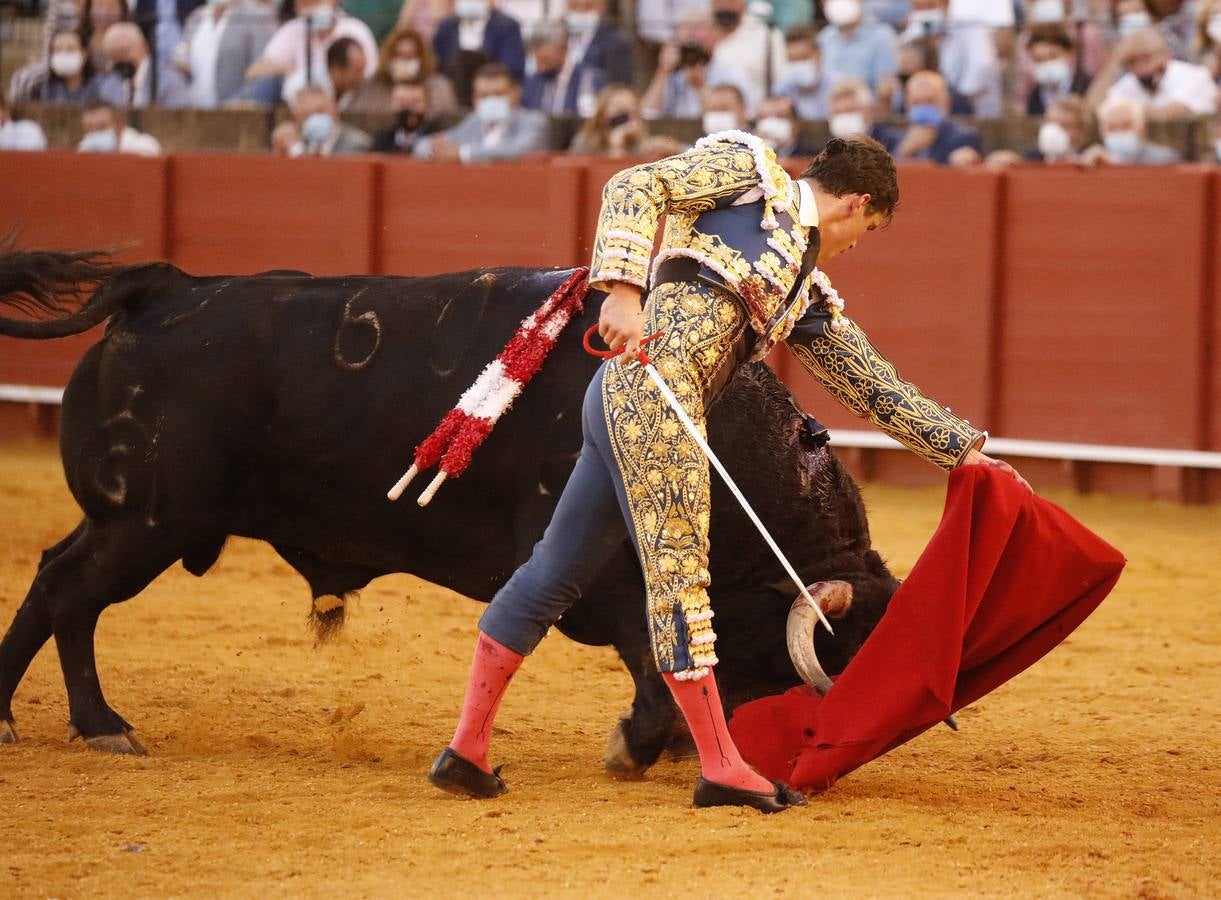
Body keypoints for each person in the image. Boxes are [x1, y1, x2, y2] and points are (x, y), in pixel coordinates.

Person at [427, 132, 1025, 811]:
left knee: (553, 571)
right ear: (857, 204)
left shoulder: (801, 288)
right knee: (680, 574)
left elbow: (869, 383)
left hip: (635, 398)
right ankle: (720, 767)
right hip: (656, 393)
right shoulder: (749, 173)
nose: (858, 245)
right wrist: (622, 291)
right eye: (869, 230)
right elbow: (633, 185)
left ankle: (466, 750)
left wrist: (963, 450)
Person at [245, 0, 379, 103]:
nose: (311, 5)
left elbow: (368, 79)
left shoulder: (355, 30)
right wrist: (296, 75)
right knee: (268, 86)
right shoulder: (293, 29)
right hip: (298, 106)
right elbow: (254, 72)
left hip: (347, 105)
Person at [413, 61, 546, 162]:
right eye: (484, 96)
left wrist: (463, 154)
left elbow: (521, 151)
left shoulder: (533, 121)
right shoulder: (474, 122)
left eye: (498, 94)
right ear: (474, 99)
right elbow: (422, 145)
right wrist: (434, 147)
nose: (491, 101)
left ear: (515, 94)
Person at [1087, 26, 1218, 118]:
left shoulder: (1195, 76)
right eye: (1132, 61)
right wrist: (1114, 62)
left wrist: (1123, 113)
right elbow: (1092, 109)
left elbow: (1167, 115)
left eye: (1146, 58)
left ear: (1166, 54)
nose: (1141, 66)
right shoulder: (1130, 82)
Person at [175, 0, 276, 109]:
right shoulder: (195, 17)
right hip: (193, 113)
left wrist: (237, 103)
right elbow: (182, 59)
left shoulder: (258, 16)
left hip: (236, 115)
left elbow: (264, 72)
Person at [884, 69, 983, 164]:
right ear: (907, 105)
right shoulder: (893, 139)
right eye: (916, 102)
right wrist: (903, 152)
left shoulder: (964, 138)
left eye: (930, 101)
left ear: (947, 102)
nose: (923, 107)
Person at [708, 0, 787, 110]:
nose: (724, 4)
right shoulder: (698, 33)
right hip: (712, 120)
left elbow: (781, 83)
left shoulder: (767, 33)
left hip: (755, 119)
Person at [102, 22, 192, 107]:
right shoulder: (109, 86)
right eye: (114, 55)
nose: (121, 59)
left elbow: (178, 118)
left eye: (125, 51)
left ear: (144, 47)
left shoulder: (169, 82)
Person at [375, 26, 458, 115]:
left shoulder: (440, 86)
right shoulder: (376, 86)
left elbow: (445, 117)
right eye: (399, 56)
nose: (404, 63)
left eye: (409, 57)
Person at [1080, 93, 1183, 163]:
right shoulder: (1095, 158)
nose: (1119, 132)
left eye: (1126, 125)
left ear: (1141, 128)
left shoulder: (1165, 157)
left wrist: (1115, 162)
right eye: (1112, 128)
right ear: (1102, 132)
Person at [32, 27, 124, 105]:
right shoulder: (44, 88)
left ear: (84, 54)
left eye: (70, 49)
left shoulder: (105, 84)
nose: (64, 54)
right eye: (57, 49)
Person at [1022, 23, 1094, 115]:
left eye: (1053, 57)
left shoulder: (1089, 86)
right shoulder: (1034, 97)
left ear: (1070, 54)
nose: (1047, 64)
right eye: (1039, 60)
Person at [289, 83, 374, 155]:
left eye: (320, 111)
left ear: (335, 110)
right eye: (306, 115)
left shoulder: (357, 145)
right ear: (296, 119)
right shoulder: (293, 145)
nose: (314, 119)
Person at [569, 83, 650, 156]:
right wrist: (616, 145)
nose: (625, 114)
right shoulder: (586, 140)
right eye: (619, 108)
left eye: (630, 109)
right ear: (602, 111)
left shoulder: (641, 144)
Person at [770, 24, 829, 119]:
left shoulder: (837, 86)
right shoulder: (780, 89)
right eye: (793, 60)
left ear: (818, 55)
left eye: (804, 58)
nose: (799, 65)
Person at [371, 80, 444, 152]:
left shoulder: (438, 140)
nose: (408, 109)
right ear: (391, 105)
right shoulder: (382, 140)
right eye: (402, 103)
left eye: (414, 102)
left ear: (428, 107)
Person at [77, 99, 162, 154]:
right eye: (89, 128)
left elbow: (153, 148)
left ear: (118, 126)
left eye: (101, 127)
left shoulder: (137, 144)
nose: (94, 133)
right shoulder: (84, 148)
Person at [754, 94, 820, 157]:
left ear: (796, 125)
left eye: (780, 116)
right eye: (764, 117)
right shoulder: (748, 158)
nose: (770, 124)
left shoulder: (814, 157)